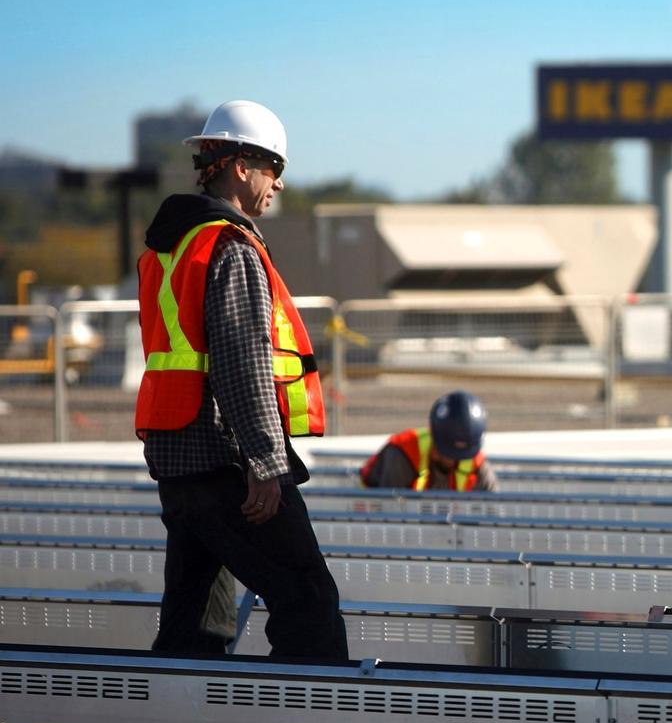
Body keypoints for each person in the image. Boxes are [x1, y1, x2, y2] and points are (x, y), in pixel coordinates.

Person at [135, 99, 348, 659]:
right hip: (226, 461)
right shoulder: (229, 246)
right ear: (239, 166)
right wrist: (265, 464)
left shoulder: (169, 248)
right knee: (309, 603)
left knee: (196, 623)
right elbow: (241, 364)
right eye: (274, 167)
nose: (278, 183)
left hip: (178, 460)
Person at [359, 390, 499, 492]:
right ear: (433, 436)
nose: (452, 460)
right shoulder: (403, 454)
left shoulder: (477, 464)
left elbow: (494, 515)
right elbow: (388, 513)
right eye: (448, 452)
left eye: (460, 455)